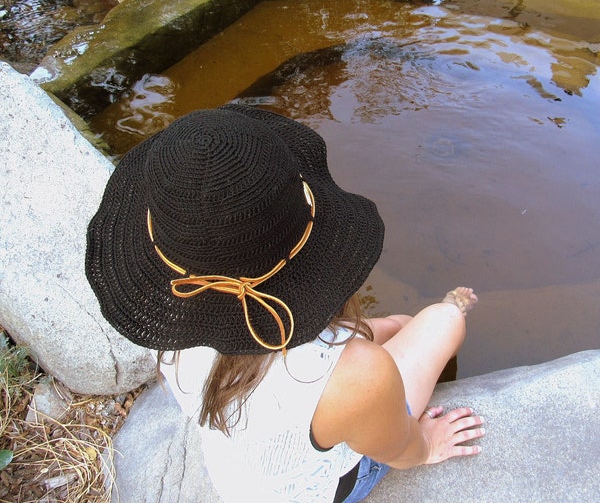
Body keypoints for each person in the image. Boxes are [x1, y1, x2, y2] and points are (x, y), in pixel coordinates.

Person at [86, 103, 485, 503]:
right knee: (442, 321)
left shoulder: (173, 325)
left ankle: (395, 327)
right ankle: (448, 307)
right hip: (323, 482)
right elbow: (397, 450)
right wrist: (427, 445)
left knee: (389, 328)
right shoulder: (362, 377)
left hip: (245, 474)